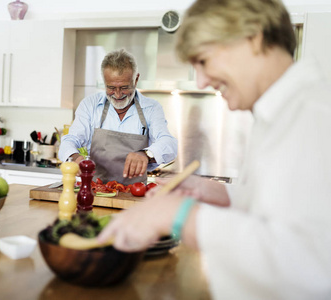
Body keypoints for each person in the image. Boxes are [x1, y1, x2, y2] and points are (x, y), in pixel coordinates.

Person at [98, 0, 331, 299]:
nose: (203, 81)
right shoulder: (281, 112)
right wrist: (221, 195)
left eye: (204, 61)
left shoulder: (316, 115)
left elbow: (316, 266)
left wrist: (181, 216)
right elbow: (282, 212)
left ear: (253, 39)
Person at [58, 49, 177, 185]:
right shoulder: (90, 105)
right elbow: (70, 139)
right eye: (111, 88)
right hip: (97, 190)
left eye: (124, 87)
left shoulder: (151, 108)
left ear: (136, 79)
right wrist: (74, 157)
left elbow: (169, 144)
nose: (118, 94)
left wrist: (146, 155)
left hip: (133, 194)